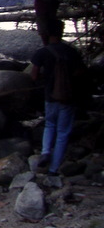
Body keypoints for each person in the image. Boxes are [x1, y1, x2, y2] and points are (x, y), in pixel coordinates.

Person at [30, 18, 86, 177]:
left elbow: (34, 75)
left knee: (49, 125)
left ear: (47, 34)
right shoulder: (71, 51)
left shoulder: (42, 52)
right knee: (63, 132)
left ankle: (46, 152)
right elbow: (80, 72)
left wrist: (47, 79)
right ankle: (53, 169)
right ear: (62, 32)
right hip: (68, 97)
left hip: (50, 95)